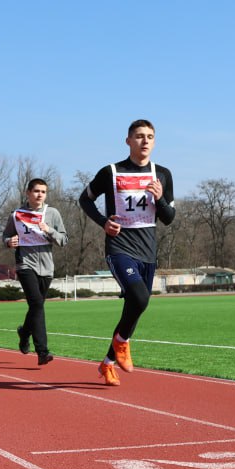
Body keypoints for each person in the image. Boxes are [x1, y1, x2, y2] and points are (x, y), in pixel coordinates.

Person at [79, 119, 176, 386]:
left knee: (135, 306)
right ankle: (122, 343)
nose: (145, 141)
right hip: (120, 247)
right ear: (128, 141)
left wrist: (161, 199)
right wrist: (103, 222)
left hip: (148, 250)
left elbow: (169, 218)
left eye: (150, 136)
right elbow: (84, 199)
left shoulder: (163, 174)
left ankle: (108, 362)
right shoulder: (111, 172)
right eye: (139, 136)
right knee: (139, 297)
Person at [4, 178, 67, 366]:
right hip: (25, 264)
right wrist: (9, 242)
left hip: (47, 267)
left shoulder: (52, 213)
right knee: (37, 303)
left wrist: (49, 230)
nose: (40, 195)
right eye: (36, 191)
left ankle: (24, 333)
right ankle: (42, 351)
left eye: (43, 192)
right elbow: (6, 235)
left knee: (35, 307)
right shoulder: (16, 215)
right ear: (28, 193)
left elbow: (64, 240)